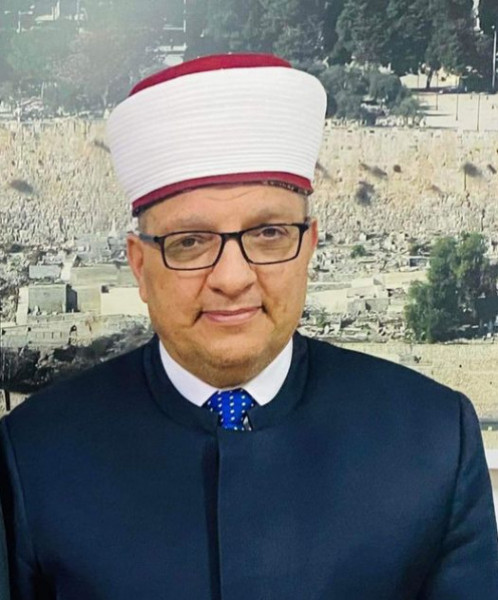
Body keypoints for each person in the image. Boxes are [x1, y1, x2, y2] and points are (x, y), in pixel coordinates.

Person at [0, 53, 497, 599]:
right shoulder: (36, 456)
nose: (232, 278)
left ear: (308, 246)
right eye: (190, 242)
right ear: (140, 266)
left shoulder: (432, 441)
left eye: (268, 234)